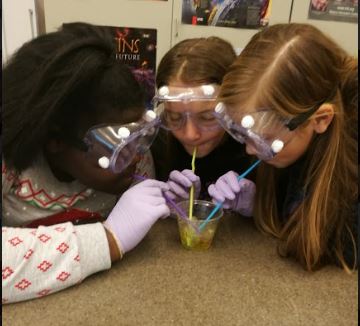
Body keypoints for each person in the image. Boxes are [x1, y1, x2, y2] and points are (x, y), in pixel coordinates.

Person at [2, 22, 179, 304]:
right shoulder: (10, 160)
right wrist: (109, 239)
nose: (134, 157)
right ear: (55, 140)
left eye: (138, 136)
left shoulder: (135, 154)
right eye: (115, 145)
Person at [208, 23, 358, 271]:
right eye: (243, 135)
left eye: (263, 140)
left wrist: (291, 218)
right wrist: (257, 205)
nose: (249, 150)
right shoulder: (289, 142)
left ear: (320, 120)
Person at [151, 36, 255, 215]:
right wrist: (167, 208)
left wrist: (257, 207)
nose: (190, 135)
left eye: (207, 117)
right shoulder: (159, 142)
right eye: (175, 117)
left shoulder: (255, 147)